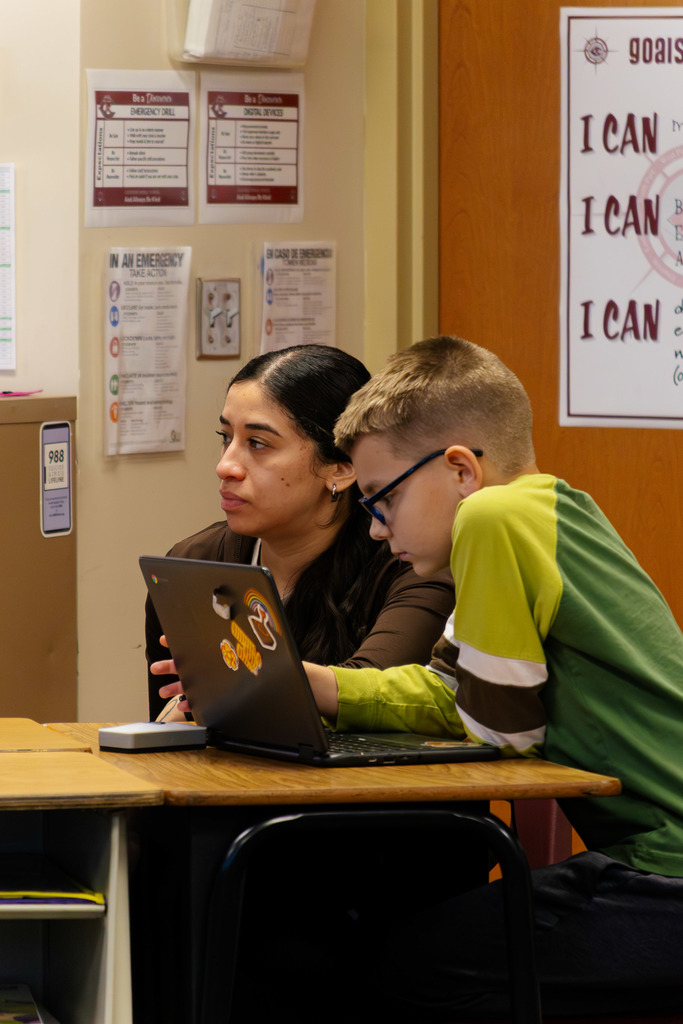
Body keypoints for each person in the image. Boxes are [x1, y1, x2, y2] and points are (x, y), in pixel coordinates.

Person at [303, 334, 683, 1019]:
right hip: (653, 861)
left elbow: (501, 730)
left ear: (459, 470)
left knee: (418, 959)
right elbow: (455, 695)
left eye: (378, 499)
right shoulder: (544, 512)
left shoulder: (492, 516)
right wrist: (312, 685)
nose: (375, 531)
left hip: (665, 871)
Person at [146, 342, 454, 721]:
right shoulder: (192, 564)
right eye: (226, 437)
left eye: (257, 444)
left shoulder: (413, 562)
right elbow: (177, 721)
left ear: (341, 467)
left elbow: (373, 694)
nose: (225, 466)